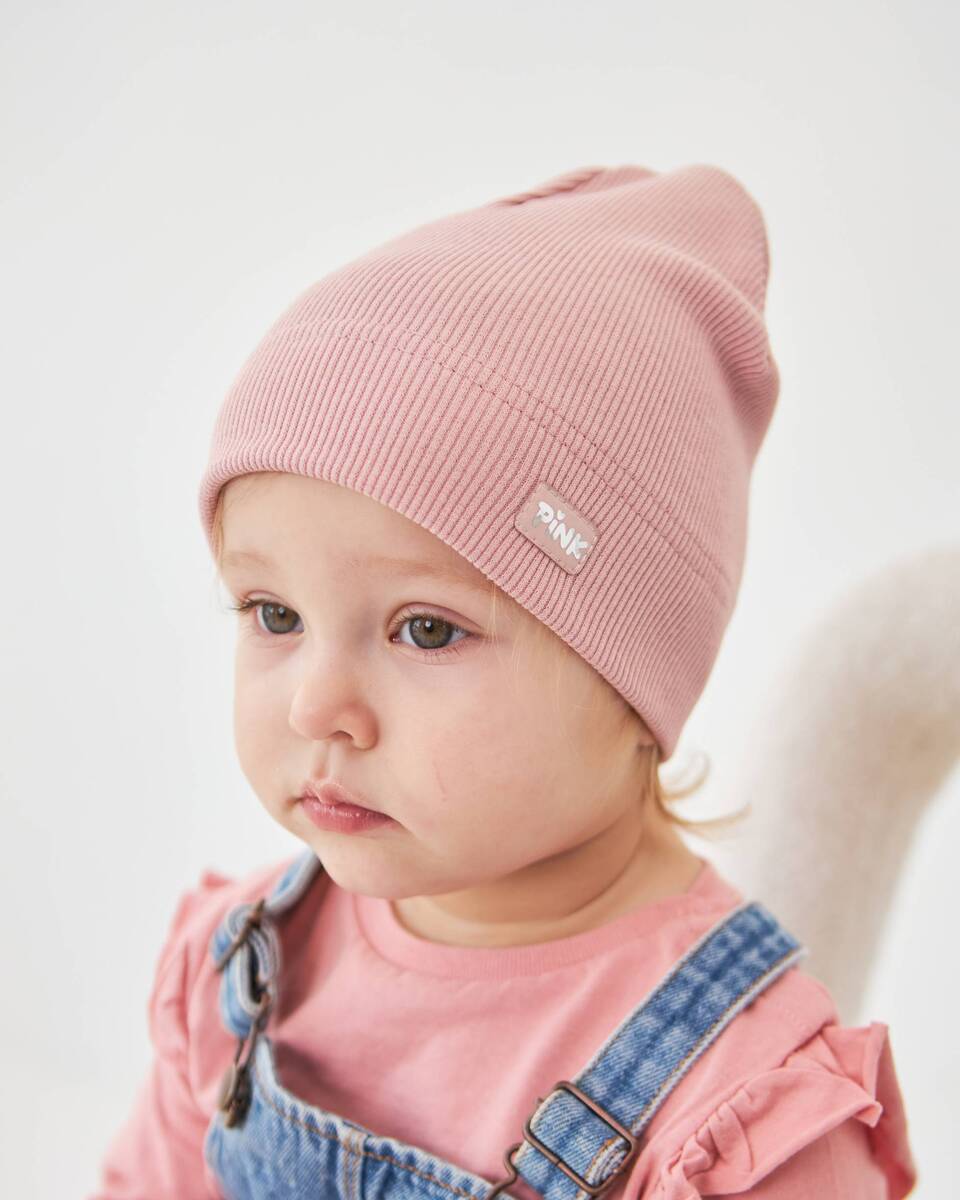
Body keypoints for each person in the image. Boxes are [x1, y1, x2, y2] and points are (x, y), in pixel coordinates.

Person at [89, 163, 917, 1199]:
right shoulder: (245, 969)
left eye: (426, 629)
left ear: (636, 680)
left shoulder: (740, 1119)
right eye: (275, 615)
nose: (314, 706)